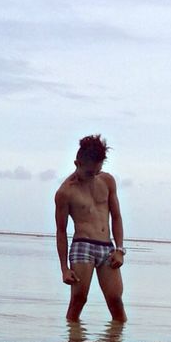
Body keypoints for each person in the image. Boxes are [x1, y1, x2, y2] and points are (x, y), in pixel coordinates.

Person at [55, 134, 126, 323]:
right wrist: (64, 268)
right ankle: (72, 339)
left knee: (115, 299)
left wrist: (119, 250)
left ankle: (117, 341)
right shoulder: (65, 192)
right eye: (88, 173)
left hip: (106, 247)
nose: (93, 176)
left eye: (97, 171)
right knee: (79, 299)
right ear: (77, 163)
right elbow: (61, 232)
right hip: (82, 246)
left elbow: (117, 217)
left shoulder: (108, 181)